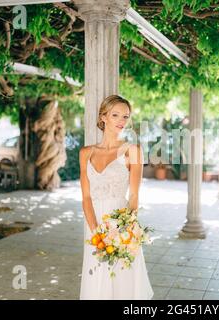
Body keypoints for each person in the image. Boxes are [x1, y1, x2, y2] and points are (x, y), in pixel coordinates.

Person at [79, 95, 153, 300]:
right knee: (97, 276)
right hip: (93, 223)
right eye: (115, 115)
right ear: (103, 117)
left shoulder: (133, 151)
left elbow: (135, 195)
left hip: (120, 223)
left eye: (126, 116)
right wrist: (96, 234)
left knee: (123, 279)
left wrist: (124, 230)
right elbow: (86, 197)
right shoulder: (86, 153)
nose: (121, 121)